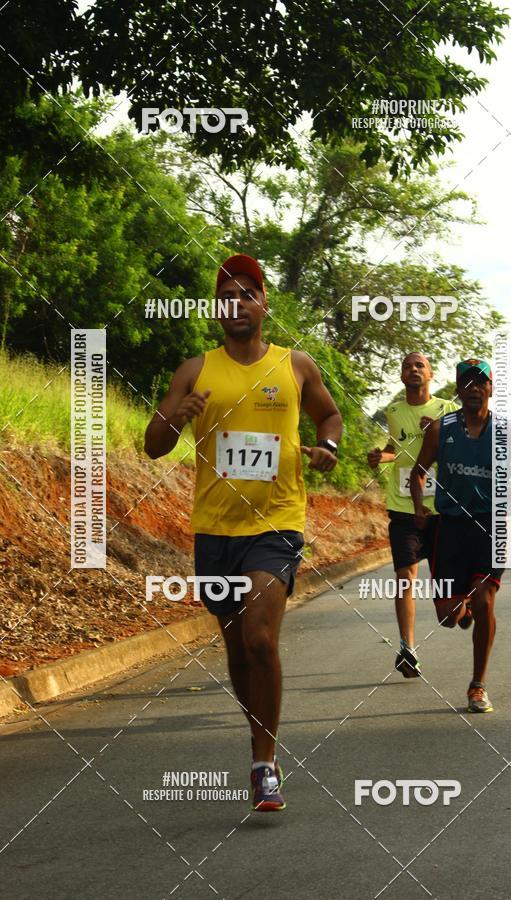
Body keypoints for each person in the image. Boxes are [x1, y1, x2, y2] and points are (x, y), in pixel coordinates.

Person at [144, 254, 342, 812]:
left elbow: (330, 417)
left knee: (260, 638)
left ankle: (265, 761)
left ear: (263, 304)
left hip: (276, 522)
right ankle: (258, 743)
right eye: (226, 296)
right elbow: (153, 444)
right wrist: (177, 414)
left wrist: (328, 447)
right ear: (216, 309)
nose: (236, 304)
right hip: (215, 529)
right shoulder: (195, 369)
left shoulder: (295, 365)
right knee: (235, 646)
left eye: (246, 294)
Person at [410, 358, 511, 714]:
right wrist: (420, 508)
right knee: (447, 616)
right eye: (465, 382)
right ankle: (461, 606)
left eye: (479, 382)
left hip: (491, 526)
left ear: (490, 388)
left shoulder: (506, 432)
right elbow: (418, 472)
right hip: (450, 528)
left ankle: (477, 685)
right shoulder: (441, 429)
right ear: (457, 390)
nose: (472, 388)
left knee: (485, 601)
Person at [367, 353, 458, 678]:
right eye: (407, 365)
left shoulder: (447, 409)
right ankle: (407, 647)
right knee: (405, 578)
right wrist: (382, 456)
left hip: (442, 510)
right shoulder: (394, 411)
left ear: (431, 373)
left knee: (449, 613)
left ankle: (460, 610)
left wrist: (439, 432)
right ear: (401, 374)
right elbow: (397, 447)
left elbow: (459, 449)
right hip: (404, 507)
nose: (413, 370)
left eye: (419, 365)